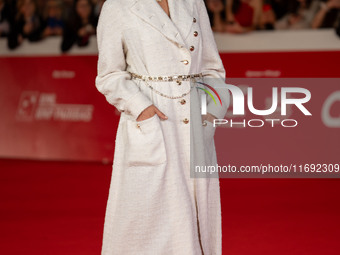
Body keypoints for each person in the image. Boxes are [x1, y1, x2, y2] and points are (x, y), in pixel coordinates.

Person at [94, 0, 230, 254]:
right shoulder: (117, 6)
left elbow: (212, 66)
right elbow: (109, 74)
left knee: (198, 211)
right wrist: (141, 107)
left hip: (195, 122)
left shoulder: (193, 2)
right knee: (147, 215)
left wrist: (212, 110)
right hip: (153, 119)